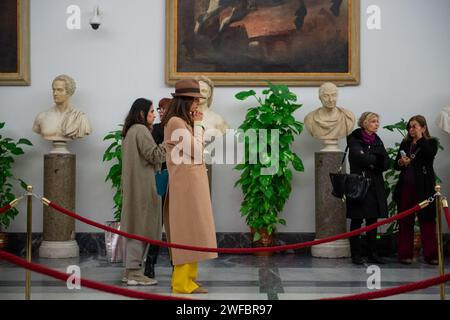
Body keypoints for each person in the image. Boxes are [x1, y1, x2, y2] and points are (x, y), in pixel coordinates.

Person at [161, 78, 218, 294]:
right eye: (194, 100)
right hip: (185, 187)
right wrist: (199, 125)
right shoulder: (176, 122)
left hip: (191, 185)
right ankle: (181, 283)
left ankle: (190, 280)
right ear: (184, 101)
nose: (197, 105)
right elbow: (196, 150)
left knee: (193, 232)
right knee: (185, 233)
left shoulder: (181, 122)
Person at [120, 98, 166, 286]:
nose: (154, 115)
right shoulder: (140, 130)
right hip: (144, 187)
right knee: (140, 228)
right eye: (151, 112)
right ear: (141, 114)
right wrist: (168, 144)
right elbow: (154, 155)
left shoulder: (131, 131)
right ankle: (134, 273)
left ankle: (130, 271)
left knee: (135, 227)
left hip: (135, 186)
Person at [394, 115, 439, 265]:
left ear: (423, 127)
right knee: (405, 220)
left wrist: (420, 138)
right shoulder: (405, 143)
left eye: (414, 126)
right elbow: (396, 165)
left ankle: (431, 255)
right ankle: (405, 254)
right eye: (410, 127)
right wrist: (401, 161)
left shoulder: (431, 142)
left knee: (427, 220)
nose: (411, 129)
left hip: (424, 187)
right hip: (406, 186)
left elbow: (429, 154)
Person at [346, 112, 389, 265]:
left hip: (374, 186)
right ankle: (355, 254)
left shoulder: (377, 140)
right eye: (373, 121)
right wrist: (375, 159)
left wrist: (373, 160)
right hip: (359, 184)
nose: (376, 124)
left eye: (377, 121)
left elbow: (386, 163)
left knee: (373, 220)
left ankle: (372, 253)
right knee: (357, 220)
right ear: (365, 123)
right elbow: (359, 158)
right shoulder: (354, 139)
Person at [144, 97, 172, 279]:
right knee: (158, 222)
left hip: (178, 178)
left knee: (175, 225)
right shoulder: (157, 130)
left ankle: (177, 264)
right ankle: (150, 263)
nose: (160, 112)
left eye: (163, 108)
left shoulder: (179, 128)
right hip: (162, 177)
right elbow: (154, 155)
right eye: (159, 109)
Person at [33, 74, 92, 142]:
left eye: (59, 90)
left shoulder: (80, 117)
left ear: (69, 92)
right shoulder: (42, 116)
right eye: (54, 90)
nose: (55, 93)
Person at [304, 82, 355, 151]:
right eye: (326, 96)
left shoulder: (348, 117)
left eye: (333, 95)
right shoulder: (310, 119)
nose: (331, 100)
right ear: (320, 98)